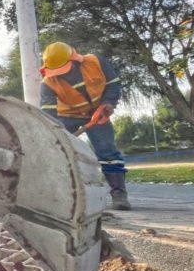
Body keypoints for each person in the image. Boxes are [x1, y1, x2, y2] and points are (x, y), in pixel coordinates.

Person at [39, 42, 130, 210]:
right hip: (67, 117)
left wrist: (108, 104)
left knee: (107, 150)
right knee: (57, 150)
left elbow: (113, 84)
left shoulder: (96, 62)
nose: (60, 74)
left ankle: (119, 194)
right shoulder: (47, 83)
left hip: (98, 113)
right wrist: (54, 133)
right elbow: (48, 113)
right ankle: (60, 197)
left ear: (74, 59)